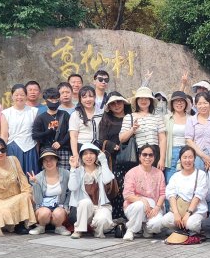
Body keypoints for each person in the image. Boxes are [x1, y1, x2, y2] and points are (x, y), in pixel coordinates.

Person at [0, 138, 36, 236]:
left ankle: (21, 224)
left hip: (15, 196)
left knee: (26, 196)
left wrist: (27, 192)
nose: (0, 153)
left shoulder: (13, 160)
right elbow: (0, 188)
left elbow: (22, 177)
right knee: (2, 212)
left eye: (2, 150)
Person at [68, 143, 115, 239]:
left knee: (103, 219)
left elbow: (107, 179)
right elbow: (72, 187)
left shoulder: (101, 169)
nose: (88, 156)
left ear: (96, 155)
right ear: (81, 157)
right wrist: (73, 168)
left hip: (100, 206)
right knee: (85, 202)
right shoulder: (78, 170)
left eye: (91, 153)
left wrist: (104, 161)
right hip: (83, 209)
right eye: (85, 154)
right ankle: (79, 230)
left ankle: (96, 230)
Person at [99, 92, 132, 221]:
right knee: (116, 188)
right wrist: (111, 145)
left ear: (124, 102)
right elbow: (101, 140)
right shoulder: (106, 120)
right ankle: (117, 218)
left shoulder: (131, 117)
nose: (117, 105)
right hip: (114, 160)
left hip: (131, 158)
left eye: (119, 102)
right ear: (109, 107)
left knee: (130, 187)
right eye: (113, 103)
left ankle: (130, 217)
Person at [122, 144, 166, 240]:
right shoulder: (132, 173)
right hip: (134, 207)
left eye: (150, 155)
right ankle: (131, 230)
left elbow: (162, 194)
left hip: (153, 207)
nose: (147, 157)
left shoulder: (159, 173)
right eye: (144, 154)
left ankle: (146, 228)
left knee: (157, 224)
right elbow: (127, 195)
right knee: (140, 205)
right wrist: (142, 200)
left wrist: (157, 208)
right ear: (139, 156)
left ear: (154, 157)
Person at [162, 146, 208, 233]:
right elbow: (171, 195)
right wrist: (176, 214)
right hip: (179, 210)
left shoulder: (201, 174)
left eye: (190, 157)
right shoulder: (175, 176)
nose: (187, 160)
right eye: (185, 157)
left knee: (191, 224)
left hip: (196, 211)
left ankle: (192, 230)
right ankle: (181, 229)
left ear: (194, 158)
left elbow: (198, 196)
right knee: (165, 220)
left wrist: (187, 214)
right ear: (180, 159)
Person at [27, 149, 71, 236]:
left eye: (51, 159)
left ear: (56, 160)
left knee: (59, 213)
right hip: (43, 208)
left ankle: (59, 227)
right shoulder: (38, 177)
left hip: (60, 207)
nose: (49, 163)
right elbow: (38, 201)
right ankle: (41, 226)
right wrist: (35, 184)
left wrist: (66, 206)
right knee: (44, 212)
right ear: (42, 163)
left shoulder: (66, 174)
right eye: (45, 160)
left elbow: (70, 192)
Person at [120, 87, 166, 169]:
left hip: (154, 154)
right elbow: (121, 138)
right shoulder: (129, 117)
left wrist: (162, 159)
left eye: (146, 98)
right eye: (141, 98)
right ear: (136, 101)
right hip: (137, 154)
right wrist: (132, 130)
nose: (143, 101)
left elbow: (162, 139)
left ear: (150, 101)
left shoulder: (157, 117)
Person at [0, 84, 39, 176]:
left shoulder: (34, 111)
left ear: (26, 96)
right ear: (12, 96)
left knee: (31, 177)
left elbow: (36, 133)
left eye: (22, 95)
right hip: (13, 148)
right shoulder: (6, 113)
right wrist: (1, 151)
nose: (19, 97)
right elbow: (4, 135)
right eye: (16, 95)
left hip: (30, 147)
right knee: (14, 177)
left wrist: (37, 151)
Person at [32, 87, 71, 170]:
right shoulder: (41, 118)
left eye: (56, 100)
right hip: (47, 151)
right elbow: (35, 135)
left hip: (64, 150)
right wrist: (47, 132)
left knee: (65, 175)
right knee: (49, 175)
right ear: (46, 101)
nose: (54, 102)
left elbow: (71, 131)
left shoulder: (65, 115)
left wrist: (61, 143)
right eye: (51, 100)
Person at [185, 92, 210, 178]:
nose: (203, 106)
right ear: (195, 105)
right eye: (200, 104)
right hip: (197, 156)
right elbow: (189, 140)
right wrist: (204, 156)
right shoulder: (191, 120)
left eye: (205, 103)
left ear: (209, 103)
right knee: (198, 181)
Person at [164, 91, 191, 184]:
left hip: (186, 151)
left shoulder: (191, 119)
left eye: (181, 101)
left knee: (186, 180)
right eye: (176, 101)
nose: (179, 103)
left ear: (186, 103)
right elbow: (163, 138)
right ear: (172, 103)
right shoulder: (166, 118)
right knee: (170, 180)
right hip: (171, 151)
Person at [69, 86, 102, 158]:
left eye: (91, 96)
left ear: (95, 97)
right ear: (80, 99)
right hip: (82, 148)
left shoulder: (101, 113)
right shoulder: (76, 115)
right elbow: (73, 136)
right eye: (84, 97)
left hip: (98, 148)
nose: (88, 99)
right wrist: (75, 154)